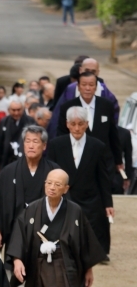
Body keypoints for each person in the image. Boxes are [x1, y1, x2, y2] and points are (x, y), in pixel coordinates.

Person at [0, 125, 59, 287]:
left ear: (44, 145)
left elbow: (62, 205)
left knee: (43, 281)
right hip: (15, 235)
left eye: (35, 141)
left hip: (44, 237)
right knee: (16, 279)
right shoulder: (8, 171)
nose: (31, 145)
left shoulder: (53, 173)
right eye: (27, 141)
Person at [48, 106, 113, 256]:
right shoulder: (56, 144)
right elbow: (50, 172)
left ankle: (99, 252)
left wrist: (108, 203)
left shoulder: (97, 146)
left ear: (87, 124)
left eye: (81, 124)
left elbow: (103, 177)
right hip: (64, 195)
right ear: (67, 124)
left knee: (95, 225)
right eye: (73, 124)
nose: (77, 128)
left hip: (91, 196)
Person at [57, 70, 122, 176]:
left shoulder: (107, 105)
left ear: (96, 87)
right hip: (78, 159)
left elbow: (113, 134)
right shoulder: (68, 107)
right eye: (84, 84)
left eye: (91, 85)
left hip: (103, 159)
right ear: (78, 86)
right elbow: (62, 134)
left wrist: (118, 160)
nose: (87, 88)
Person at [53, 57, 120, 128]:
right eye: (87, 70)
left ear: (98, 72)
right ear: (80, 70)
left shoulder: (104, 91)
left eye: (93, 71)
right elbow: (58, 116)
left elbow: (113, 117)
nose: (89, 73)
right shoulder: (71, 89)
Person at [0, 99, 34, 173]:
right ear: (8, 110)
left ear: (23, 109)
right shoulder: (3, 122)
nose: (16, 113)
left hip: (24, 159)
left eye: (18, 110)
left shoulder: (30, 121)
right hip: (6, 158)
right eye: (13, 110)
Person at [113, 125, 133, 194]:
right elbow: (128, 158)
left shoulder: (125, 133)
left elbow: (128, 157)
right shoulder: (124, 133)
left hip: (116, 173)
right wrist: (127, 177)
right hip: (116, 174)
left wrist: (127, 177)